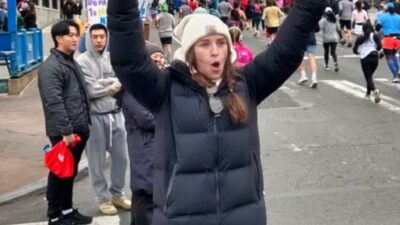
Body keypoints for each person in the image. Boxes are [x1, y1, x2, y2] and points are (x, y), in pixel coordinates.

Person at [107, 0, 326, 224]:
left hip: (244, 216)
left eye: (221, 43)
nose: (215, 52)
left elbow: (286, 51)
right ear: (190, 51)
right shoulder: (166, 89)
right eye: (204, 44)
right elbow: (129, 60)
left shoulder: (246, 84)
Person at [38, 20, 92, 225]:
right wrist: (67, 131)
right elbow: (54, 103)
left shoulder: (70, 61)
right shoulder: (51, 67)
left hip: (79, 129)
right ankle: (54, 215)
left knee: (70, 171)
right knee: (59, 173)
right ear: (58, 38)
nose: (75, 38)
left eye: (76, 35)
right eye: (71, 35)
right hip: (66, 132)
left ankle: (68, 211)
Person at [76, 23, 131, 216]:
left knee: (122, 159)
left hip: (117, 115)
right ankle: (103, 198)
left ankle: (117, 194)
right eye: (95, 37)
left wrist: (103, 84)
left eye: (102, 36)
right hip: (94, 118)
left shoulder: (113, 58)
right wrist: (112, 84)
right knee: (96, 163)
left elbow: (124, 81)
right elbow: (89, 90)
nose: (99, 40)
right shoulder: (81, 61)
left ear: (107, 38)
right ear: (89, 39)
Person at [122, 41, 165, 225]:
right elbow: (147, 119)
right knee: (145, 195)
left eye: (161, 59)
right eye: (154, 60)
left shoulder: (157, 84)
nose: (159, 64)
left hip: (157, 149)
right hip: (145, 150)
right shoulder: (134, 88)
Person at [353, 22, 382, 103]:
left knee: (368, 77)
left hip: (365, 58)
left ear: (363, 29)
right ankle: (368, 94)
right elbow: (380, 46)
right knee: (370, 77)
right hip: (375, 57)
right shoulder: (375, 36)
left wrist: (358, 52)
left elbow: (354, 50)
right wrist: (376, 49)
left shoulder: (360, 38)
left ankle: (375, 90)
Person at [376, 2, 400, 83]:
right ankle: (398, 71)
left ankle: (395, 75)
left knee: (389, 57)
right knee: (395, 55)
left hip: (388, 38)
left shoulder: (383, 17)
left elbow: (377, 28)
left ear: (387, 9)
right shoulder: (398, 17)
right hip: (398, 39)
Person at [298, 24, 320, 88]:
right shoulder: (313, 16)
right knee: (312, 59)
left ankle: (303, 75)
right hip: (311, 38)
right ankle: (314, 78)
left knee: (299, 58)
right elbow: (317, 29)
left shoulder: (300, 15)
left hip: (301, 39)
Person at [319, 7, 340, 72]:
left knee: (326, 52)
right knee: (333, 52)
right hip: (334, 38)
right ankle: (335, 63)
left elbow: (319, 28)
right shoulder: (335, 19)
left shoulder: (324, 20)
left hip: (326, 38)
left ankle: (327, 65)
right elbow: (338, 28)